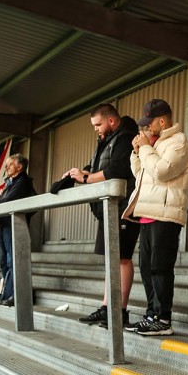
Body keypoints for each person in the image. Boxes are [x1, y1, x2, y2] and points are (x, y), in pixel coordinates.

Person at [64, 104, 139, 328]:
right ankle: (108, 308)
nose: (96, 128)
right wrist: (82, 172)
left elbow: (118, 170)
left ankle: (119, 311)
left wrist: (87, 178)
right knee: (112, 259)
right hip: (107, 207)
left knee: (122, 258)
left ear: (111, 121)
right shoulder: (106, 139)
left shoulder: (126, 137)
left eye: (98, 124)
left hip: (124, 207)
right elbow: (101, 166)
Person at [123, 99, 188, 336]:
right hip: (147, 213)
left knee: (160, 268)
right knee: (146, 269)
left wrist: (144, 148)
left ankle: (163, 319)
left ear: (162, 121)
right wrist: (137, 152)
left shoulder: (179, 142)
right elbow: (141, 175)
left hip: (166, 214)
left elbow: (162, 172)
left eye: (149, 123)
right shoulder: (154, 144)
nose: (145, 128)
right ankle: (152, 315)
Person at [0, 154, 37, 306]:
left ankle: (17, 295)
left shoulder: (23, 182)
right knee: (4, 261)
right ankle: (6, 293)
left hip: (14, 225)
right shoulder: (10, 182)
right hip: (5, 224)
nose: (6, 167)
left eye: (10, 164)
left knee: (14, 261)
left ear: (19, 167)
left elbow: (7, 201)